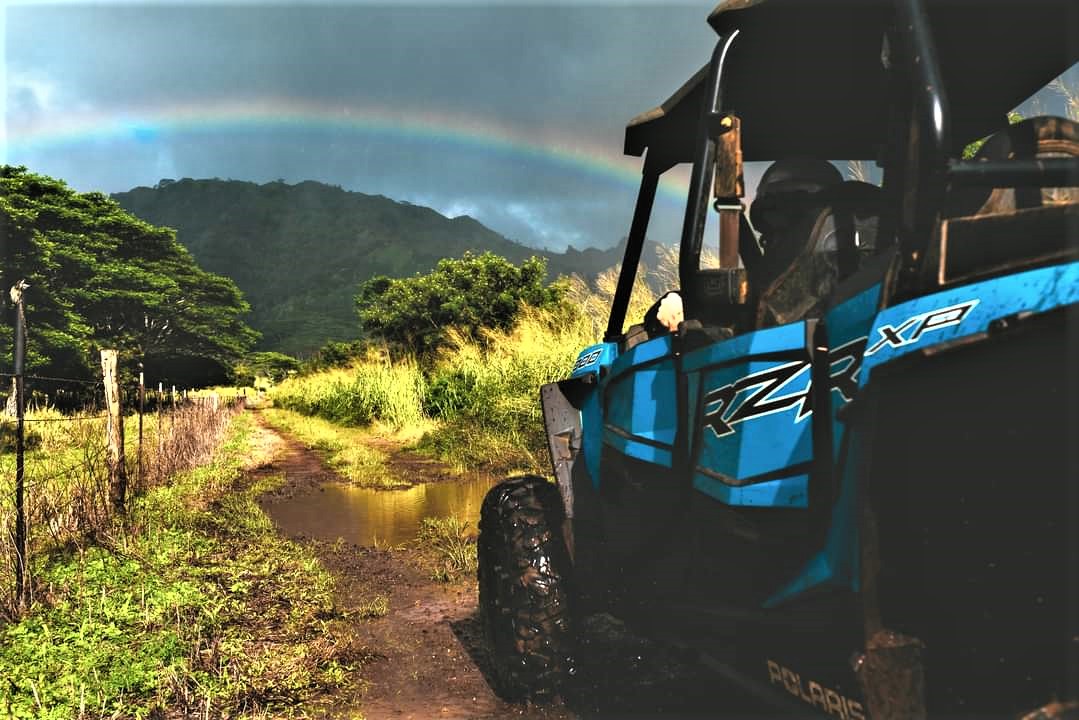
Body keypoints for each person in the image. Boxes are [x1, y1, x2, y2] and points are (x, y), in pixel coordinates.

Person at [642, 157, 843, 335]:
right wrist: (679, 302)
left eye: (776, 231)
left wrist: (683, 308)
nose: (769, 242)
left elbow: (759, 327)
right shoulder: (867, 280)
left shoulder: (802, 286)